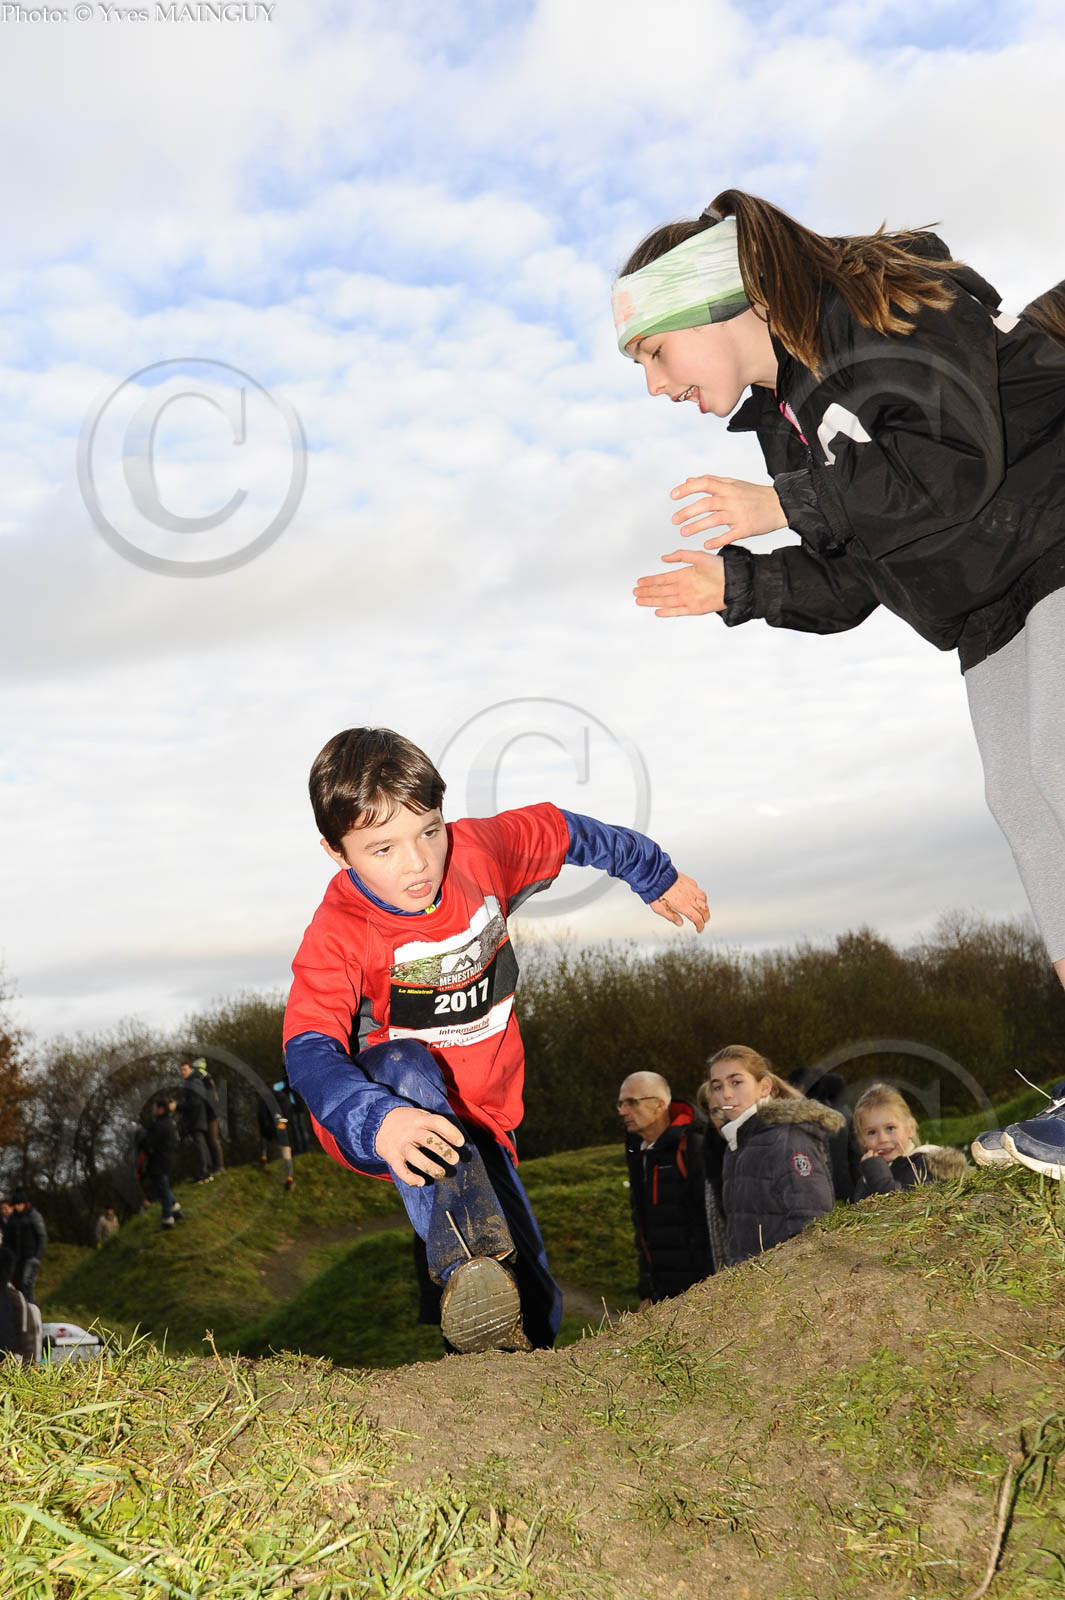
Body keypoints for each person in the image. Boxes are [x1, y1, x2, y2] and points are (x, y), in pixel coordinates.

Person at [618, 193, 1065, 1173]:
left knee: (1060, 762)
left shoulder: (868, 305)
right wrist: (740, 584)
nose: (654, 385)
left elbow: (953, 458)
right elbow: (857, 574)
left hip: (1053, 520)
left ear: (713, 307)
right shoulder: (784, 423)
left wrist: (784, 502)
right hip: (987, 598)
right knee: (1025, 799)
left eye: (653, 352)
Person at [283, 726, 709, 1354]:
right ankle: (468, 1263)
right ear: (336, 852)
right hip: (383, 1111)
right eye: (382, 849)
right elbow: (307, 1047)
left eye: (429, 831)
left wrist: (655, 874)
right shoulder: (339, 932)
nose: (417, 863)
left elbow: (570, 831)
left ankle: (501, 1333)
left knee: (535, 1303)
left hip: (485, 1120)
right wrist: (378, 1122)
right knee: (403, 1064)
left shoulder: (482, 852)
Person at [701, 1045, 841, 1266]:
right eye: (717, 1086)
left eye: (736, 1082)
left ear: (764, 1087)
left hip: (788, 1281)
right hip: (755, 1282)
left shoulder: (788, 1139)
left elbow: (813, 1222)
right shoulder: (735, 1145)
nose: (725, 1094)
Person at [619, 1069, 713, 1303]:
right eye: (621, 1104)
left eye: (632, 1102)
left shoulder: (694, 1146)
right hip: (663, 1294)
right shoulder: (638, 1152)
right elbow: (643, 1229)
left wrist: (707, 1292)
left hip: (701, 1293)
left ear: (659, 1105)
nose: (622, 1111)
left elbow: (709, 1225)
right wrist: (648, 1291)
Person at [852, 1083, 968, 1200]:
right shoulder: (867, 1178)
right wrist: (872, 1175)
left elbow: (914, 1205)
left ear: (910, 1128)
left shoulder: (926, 1166)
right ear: (862, 1139)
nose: (883, 1139)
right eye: (872, 1132)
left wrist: (881, 1182)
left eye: (890, 1128)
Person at [141, 1097, 183, 1231]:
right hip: (169, 1159)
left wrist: (141, 1140)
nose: (153, 1110)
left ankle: (168, 1219)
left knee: (162, 1189)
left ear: (161, 1109)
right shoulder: (171, 1122)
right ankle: (175, 1209)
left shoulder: (159, 1125)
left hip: (158, 1160)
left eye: (155, 1107)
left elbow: (148, 1142)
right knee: (163, 1186)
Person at [177, 1061, 214, 1183]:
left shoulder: (194, 1082)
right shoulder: (192, 1082)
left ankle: (205, 1174)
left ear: (191, 1069)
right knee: (201, 1145)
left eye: (184, 1069)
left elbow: (195, 1102)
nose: (182, 1072)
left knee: (200, 1146)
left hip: (196, 1119)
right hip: (197, 1119)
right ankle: (207, 1172)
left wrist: (177, 1106)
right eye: (181, 1070)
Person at [9, 1189, 47, 1304]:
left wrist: (37, 1257)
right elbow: (8, 1238)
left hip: (30, 1257)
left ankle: (32, 1310)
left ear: (24, 1204)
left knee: (27, 1286)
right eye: (14, 1205)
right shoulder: (13, 1218)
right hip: (16, 1259)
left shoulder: (34, 1216)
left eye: (18, 1204)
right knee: (17, 1287)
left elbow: (42, 1237)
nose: (16, 1207)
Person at [257, 1081, 295, 1190]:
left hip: (271, 1125)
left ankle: (263, 1158)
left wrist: (266, 1125)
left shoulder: (265, 1098)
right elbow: (290, 1114)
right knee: (286, 1152)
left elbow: (262, 1115)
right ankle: (289, 1178)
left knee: (262, 1138)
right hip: (283, 1125)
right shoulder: (284, 1098)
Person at [193, 1058, 226, 1175]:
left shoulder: (205, 1078)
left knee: (213, 1140)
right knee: (209, 1141)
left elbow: (211, 1098)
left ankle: (219, 1167)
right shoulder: (204, 1078)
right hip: (206, 1113)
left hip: (211, 1114)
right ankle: (214, 1167)